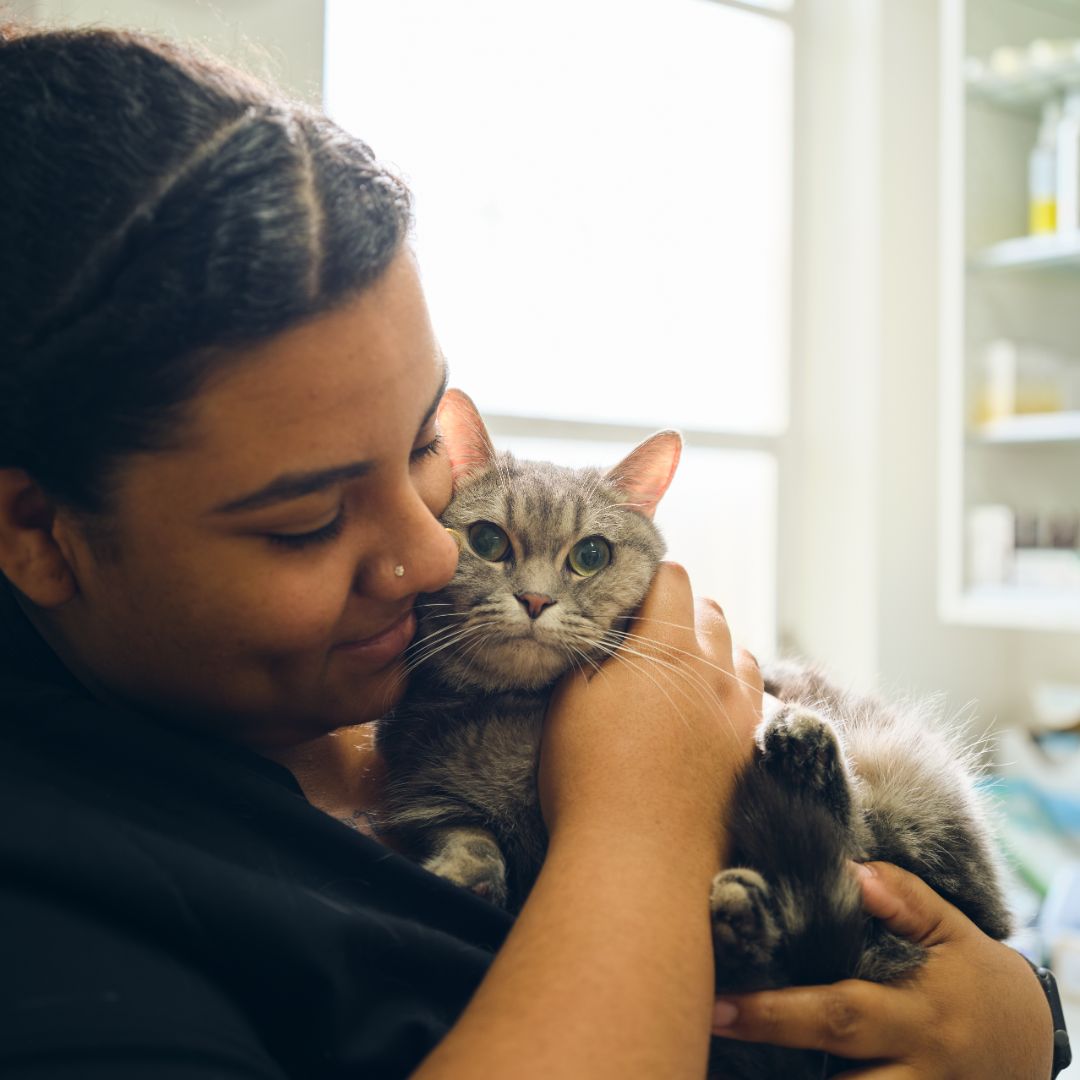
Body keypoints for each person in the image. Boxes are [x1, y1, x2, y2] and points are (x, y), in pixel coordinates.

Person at [0, 23, 1055, 1079]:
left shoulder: (394, 667)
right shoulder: (54, 913)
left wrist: (1024, 1017)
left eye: (422, 452)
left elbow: (949, 953)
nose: (428, 557)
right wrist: (642, 820)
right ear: (39, 532)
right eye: (307, 522)